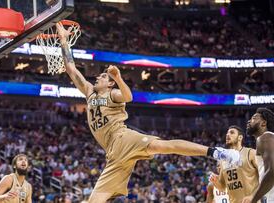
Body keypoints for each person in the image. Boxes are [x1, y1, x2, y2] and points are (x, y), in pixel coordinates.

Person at [56, 22, 241, 203]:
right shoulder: (89, 92)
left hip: (123, 137)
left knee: (166, 147)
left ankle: (216, 152)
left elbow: (128, 96)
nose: (97, 77)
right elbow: (71, 69)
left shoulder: (112, 93)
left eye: (103, 76)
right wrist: (64, 40)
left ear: (110, 83)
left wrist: (118, 78)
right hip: (113, 153)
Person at [209, 125, 259, 202]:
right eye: (227, 134)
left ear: (240, 137)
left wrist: (253, 195)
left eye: (232, 133)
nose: (227, 135)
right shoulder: (223, 160)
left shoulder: (251, 153)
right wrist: (216, 181)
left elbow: (265, 176)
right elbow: (223, 187)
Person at [242, 108, 274, 203]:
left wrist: (253, 199)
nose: (249, 121)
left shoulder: (265, 137)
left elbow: (272, 171)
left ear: (263, 123)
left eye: (254, 118)